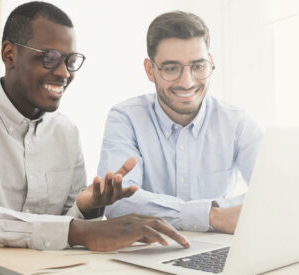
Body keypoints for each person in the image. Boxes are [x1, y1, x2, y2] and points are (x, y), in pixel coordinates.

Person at [0, 1, 189, 252]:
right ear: (9, 55)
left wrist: (86, 208)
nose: (64, 73)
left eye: (70, 61)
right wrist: (79, 230)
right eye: (49, 57)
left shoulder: (66, 133)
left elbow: (63, 229)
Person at [96, 11, 263, 234]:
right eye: (171, 68)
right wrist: (212, 216)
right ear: (150, 70)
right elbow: (118, 203)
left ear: (210, 63)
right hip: (148, 252)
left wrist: (192, 214)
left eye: (198, 66)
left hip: (218, 251)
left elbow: (271, 196)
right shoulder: (126, 119)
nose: (187, 82)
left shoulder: (237, 122)